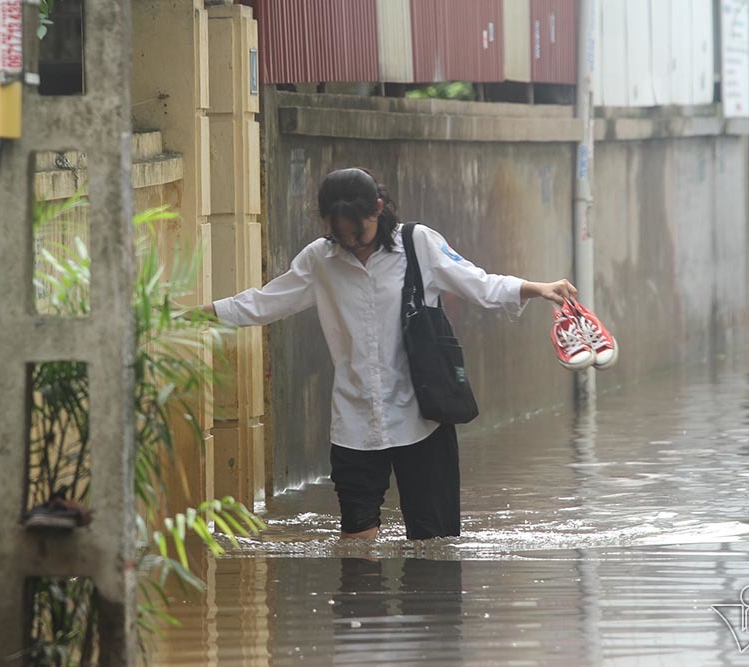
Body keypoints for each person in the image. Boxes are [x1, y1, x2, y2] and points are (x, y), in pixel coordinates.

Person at [201, 167, 577, 540]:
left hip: (421, 417)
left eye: (357, 233)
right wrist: (198, 315)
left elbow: (478, 283)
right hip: (354, 422)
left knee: (435, 541)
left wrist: (537, 288)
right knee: (356, 539)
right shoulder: (320, 259)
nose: (351, 243)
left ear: (378, 209)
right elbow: (266, 302)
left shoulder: (419, 244)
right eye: (340, 235)